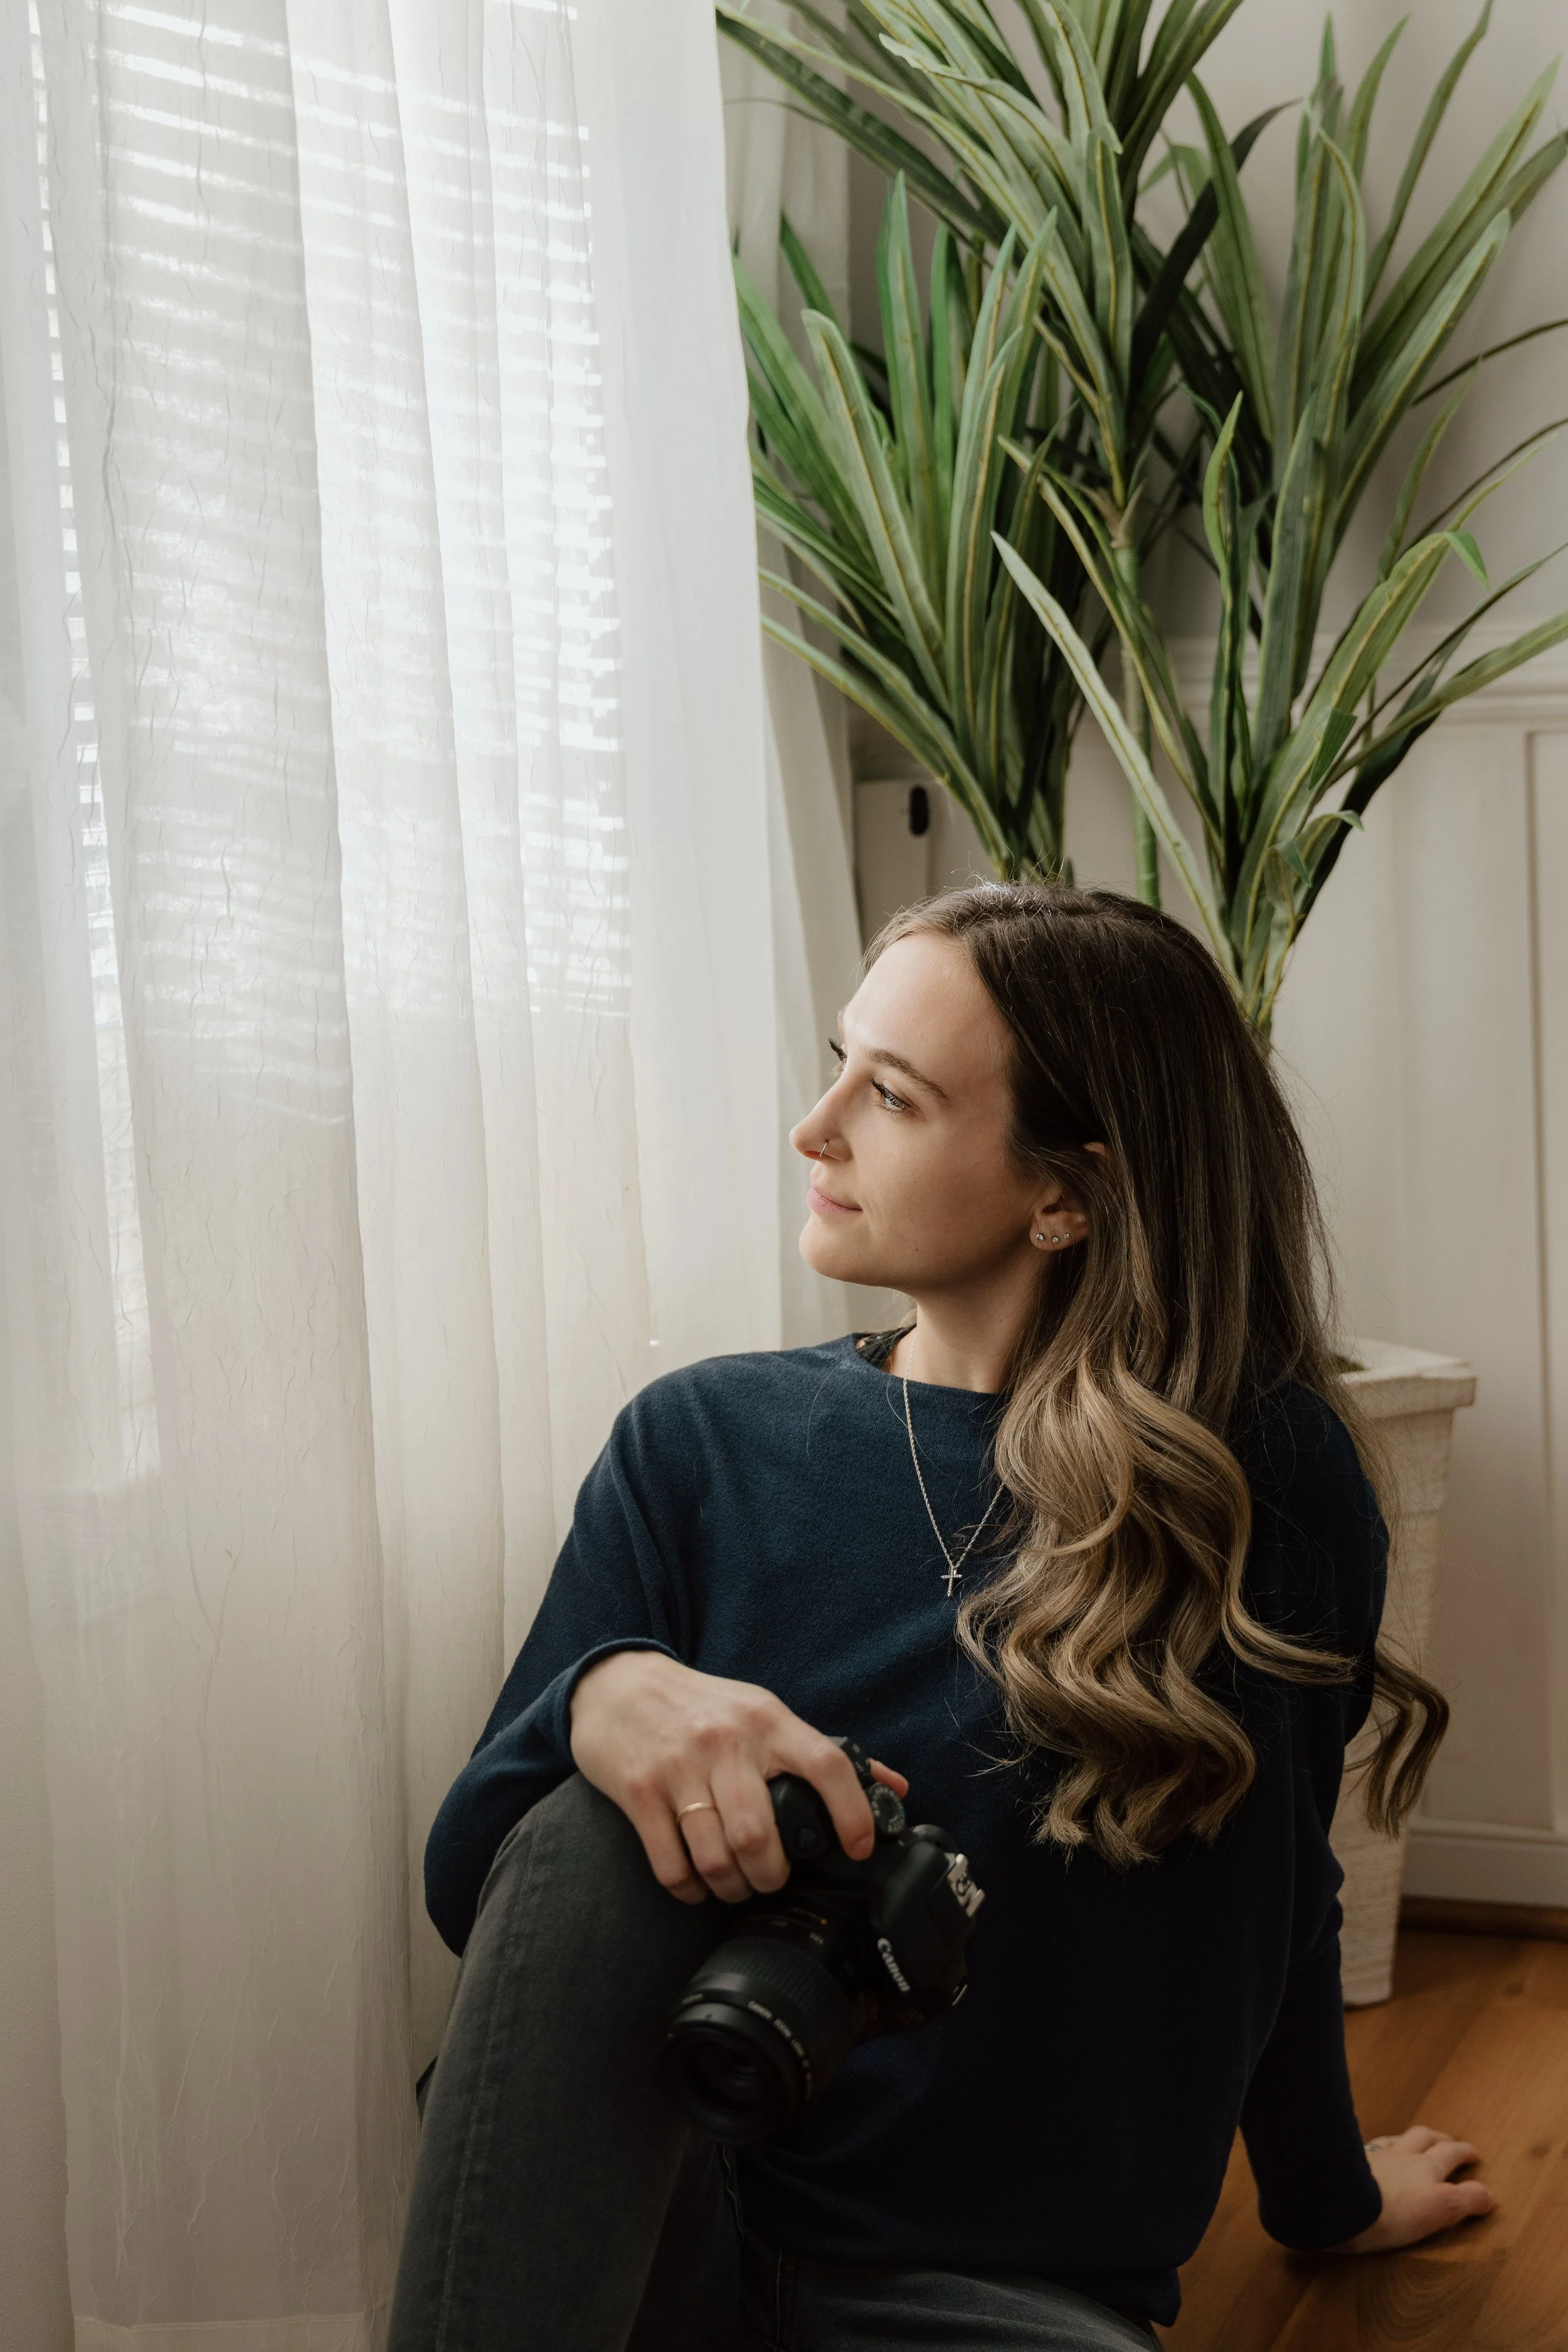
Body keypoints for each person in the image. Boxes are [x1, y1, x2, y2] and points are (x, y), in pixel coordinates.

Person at [388, 884, 1497, 2352]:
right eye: (838, 1060)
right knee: (602, 1808)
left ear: (1067, 1192)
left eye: (890, 1094)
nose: (815, 1125)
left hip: (992, 2303)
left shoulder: (1263, 1483)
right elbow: (493, 1898)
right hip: (653, 2245)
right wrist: (599, 1699)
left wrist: (1323, 2195)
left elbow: (1277, 1884)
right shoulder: (700, 1443)